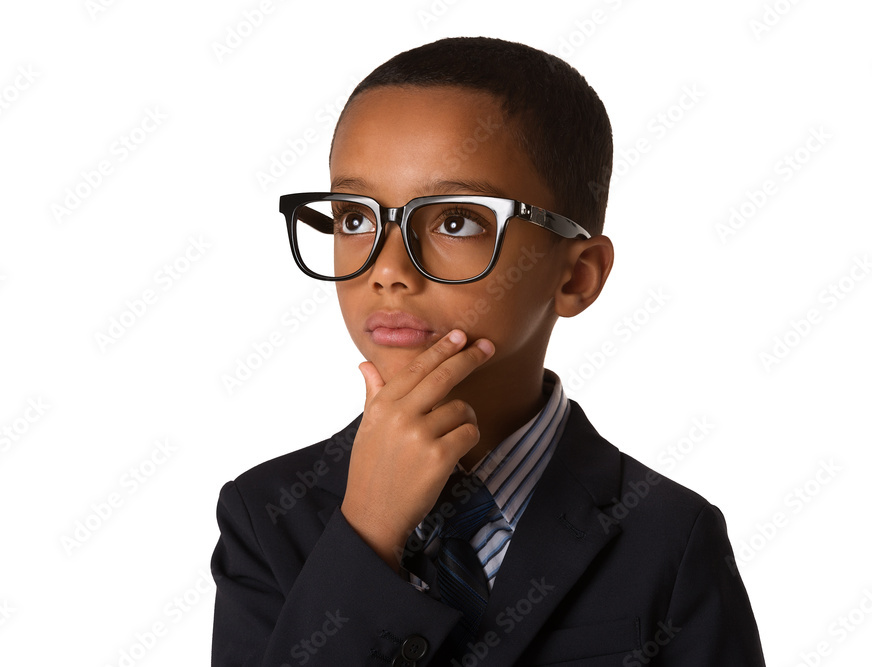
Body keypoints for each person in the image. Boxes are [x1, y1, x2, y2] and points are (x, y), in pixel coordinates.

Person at [211, 36, 765, 666]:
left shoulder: (670, 536)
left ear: (576, 275)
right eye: (354, 217)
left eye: (455, 222)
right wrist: (364, 532)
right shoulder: (267, 515)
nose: (387, 269)